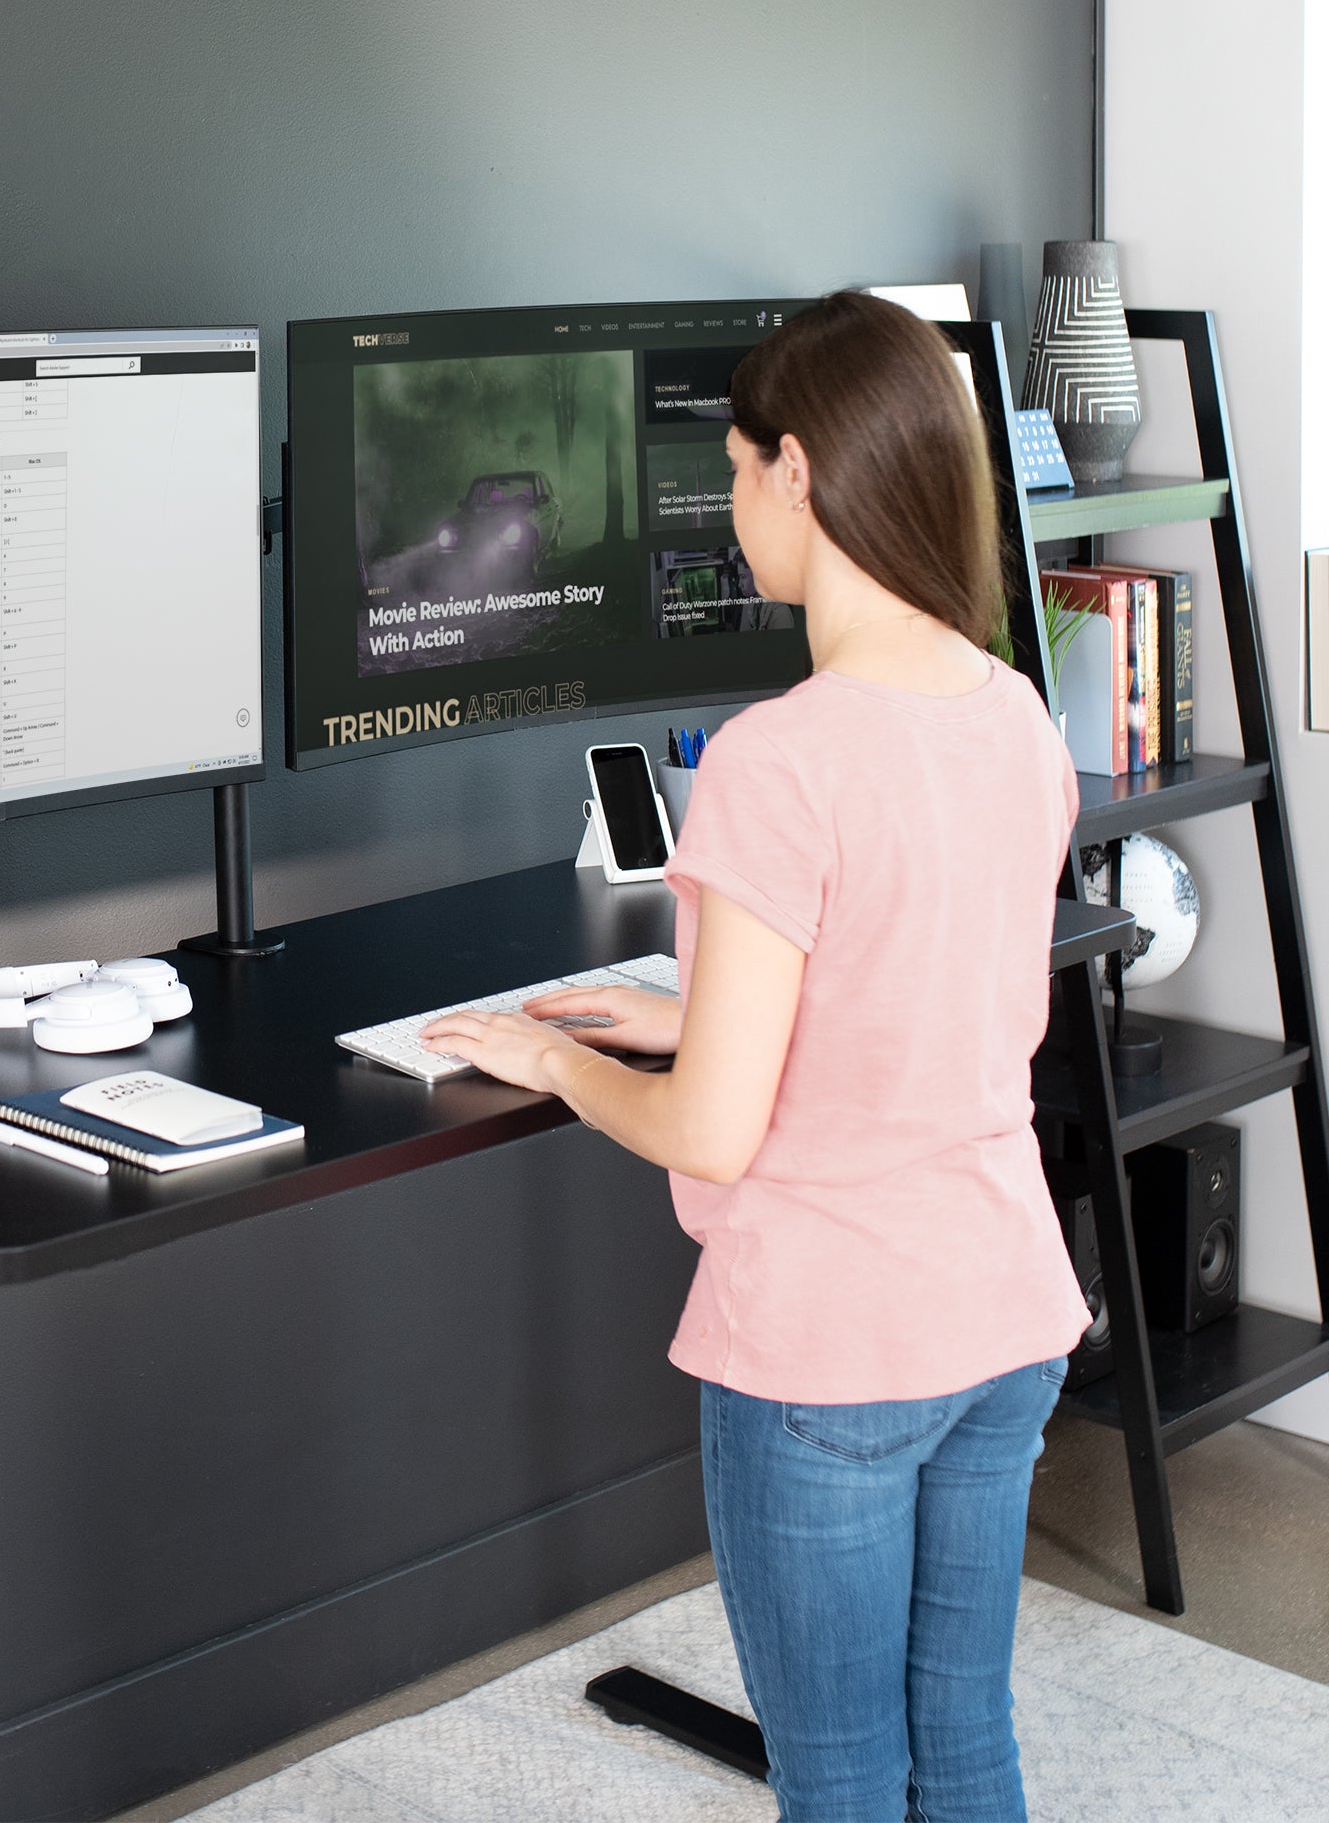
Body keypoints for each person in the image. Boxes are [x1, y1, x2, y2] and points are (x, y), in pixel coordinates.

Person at [423, 291, 1090, 1823]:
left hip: (832, 1356)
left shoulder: (781, 759)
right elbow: (921, 989)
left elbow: (713, 1135)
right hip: (1002, 1315)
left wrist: (561, 1062)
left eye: (733, 472)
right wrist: (696, 1003)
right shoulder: (1012, 718)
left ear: (799, 473)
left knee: (842, 1776)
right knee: (963, 1742)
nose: (732, 511)